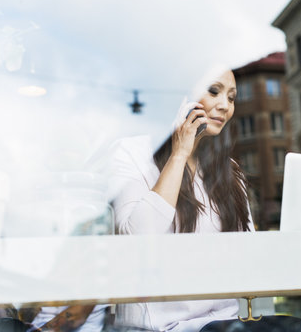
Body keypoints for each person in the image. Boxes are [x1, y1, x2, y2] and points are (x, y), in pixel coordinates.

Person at [109, 66, 254, 331]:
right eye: (214, 91)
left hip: (227, 324)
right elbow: (135, 239)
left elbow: (249, 257)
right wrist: (180, 153)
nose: (225, 106)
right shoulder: (132, 153)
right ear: (180, 96)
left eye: (232, 98)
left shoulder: (229, 171)